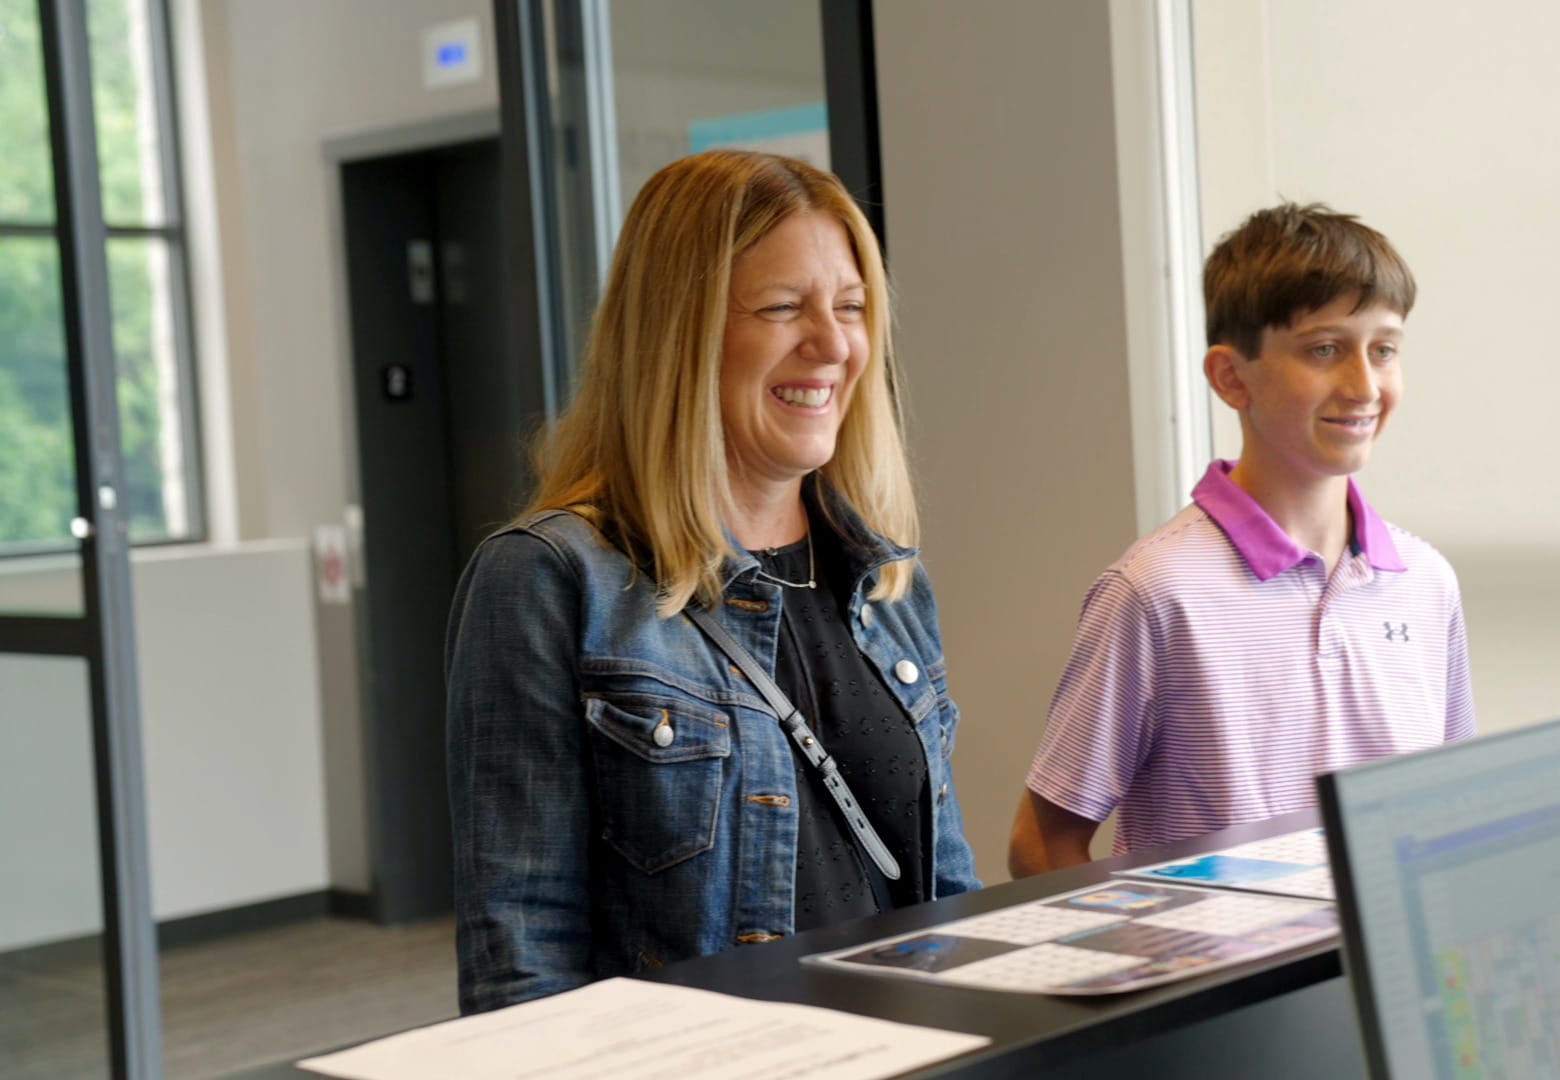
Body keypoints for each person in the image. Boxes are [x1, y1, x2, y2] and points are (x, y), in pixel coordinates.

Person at [446, 150, 979, 1014]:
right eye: (782, 308)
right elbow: (523, 960)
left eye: (850, 308)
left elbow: (948, 900)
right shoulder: (550, 581)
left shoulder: (889, 587)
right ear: (678, 332)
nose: (835, 344)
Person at [1008, 202, 1475, 876]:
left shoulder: (1427, 584)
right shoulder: (1154, 593)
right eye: (1324, 349)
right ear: (1232, 377)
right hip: (1220, 977)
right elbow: (1041, 842)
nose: (1364, 385)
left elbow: (1447, 811)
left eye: (1385, 350)